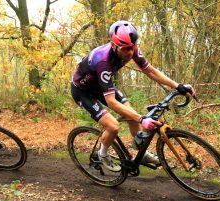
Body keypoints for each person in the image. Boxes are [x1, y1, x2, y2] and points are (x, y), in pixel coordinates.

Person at [71, 20, 195, 172]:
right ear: (114, 45)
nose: (130, 52)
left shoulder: (132, 48)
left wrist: (178, 86)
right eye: (125, 49)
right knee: (113, 126)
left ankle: (139, 151)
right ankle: (101, 155)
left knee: (131, 113)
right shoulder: (104, 61)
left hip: (99, 85)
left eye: (132, 47)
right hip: (82, 91)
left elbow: (150, 71)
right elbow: (111, 102)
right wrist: (142, 119)